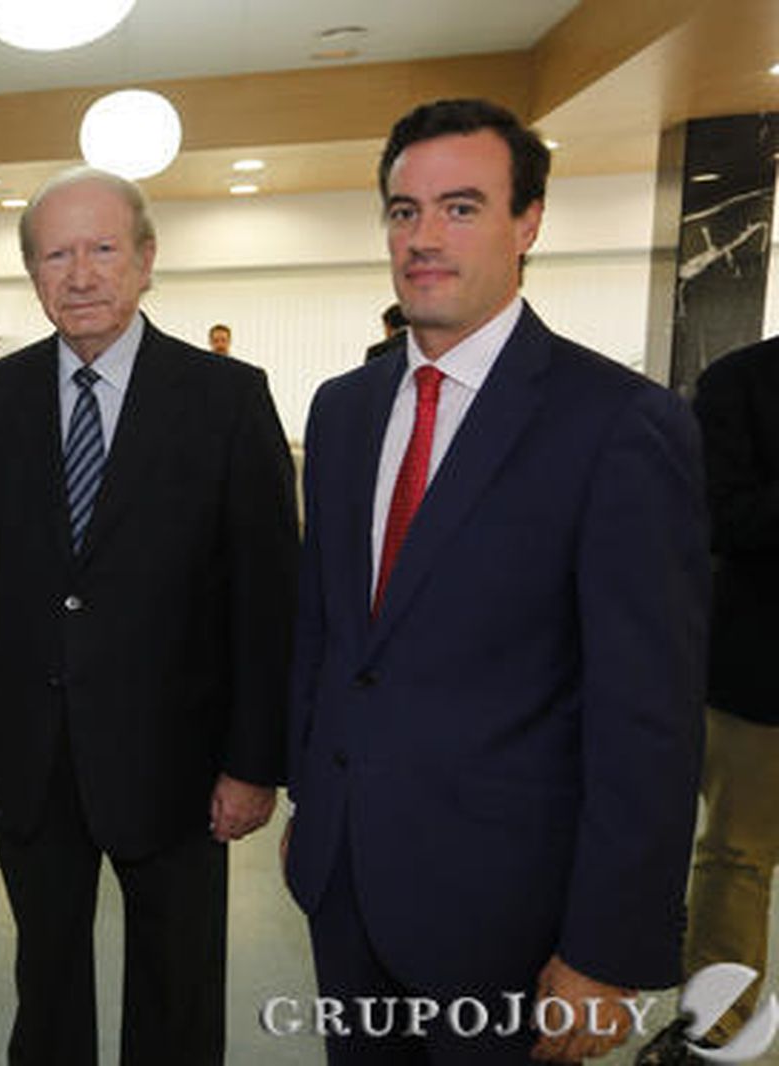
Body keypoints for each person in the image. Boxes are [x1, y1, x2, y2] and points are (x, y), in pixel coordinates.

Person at [284, 97, 708, 1063]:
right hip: (347, 887)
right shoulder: (344, 411)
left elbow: (648, 715)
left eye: (462, 208)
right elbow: (329, 632)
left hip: (511, 917)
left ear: (529, 223)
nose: (424, 238)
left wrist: (606, 948)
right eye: (404, 211)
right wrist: (315, 805)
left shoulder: (618, 424)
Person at [0, 167, 299, 1065]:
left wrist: (254, 762)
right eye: (55, 254)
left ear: (145, 259)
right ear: (33, 272)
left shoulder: (226, 398)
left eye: (102, 248)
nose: (81, 274)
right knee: (46, 981)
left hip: (178, 760)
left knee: (179, 991)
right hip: (32, 750)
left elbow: (267, 597)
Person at [666, 334, 779, 1056]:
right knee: (740, 858)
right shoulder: (742, 382)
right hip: (764, 677)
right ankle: (714, 1029)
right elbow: (717, 516)